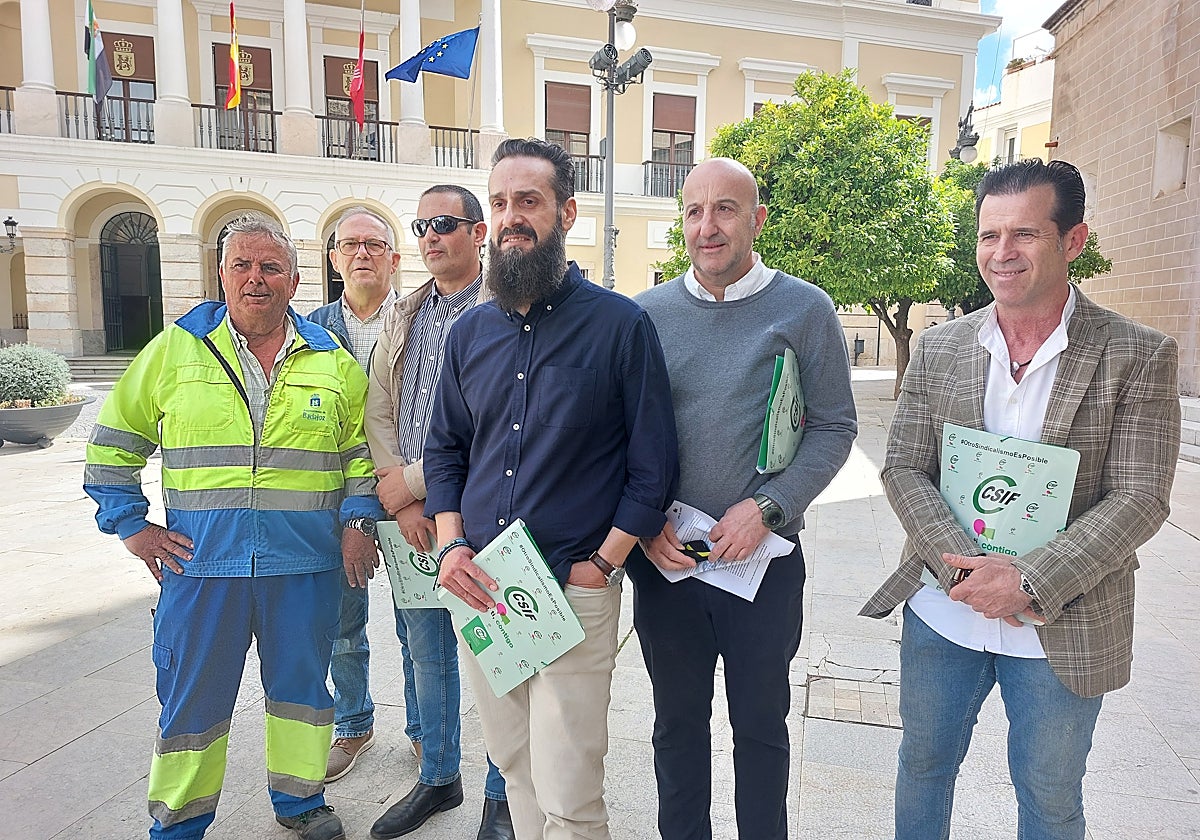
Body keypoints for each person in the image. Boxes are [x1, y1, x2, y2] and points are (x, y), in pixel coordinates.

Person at [861, 159, 1182, 840]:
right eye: (989, 235)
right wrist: (968, 572)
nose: (1001, 254)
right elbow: (904, 468)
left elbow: (1140, 497)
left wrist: (1027, 580)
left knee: (1050, 797)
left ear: (1073, 241)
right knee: (922, 768)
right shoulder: (942, 346)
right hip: (945, 610)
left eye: (1025, 235)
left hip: (1062, 623)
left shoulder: (1138, 354)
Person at [84, 212, 383, 840]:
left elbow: (362, 454)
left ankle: (300, 803)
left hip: (305, 566)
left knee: (303, 696)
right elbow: (112, 445)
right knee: (192, 702)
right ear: (220, 275)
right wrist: (133, 527)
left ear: (296, 280)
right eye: (242, 265)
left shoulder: (333, 362)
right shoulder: (174, 350)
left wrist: (360, 519)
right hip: (202, 566)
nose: (256, 278)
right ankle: (179, 822)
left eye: (271, 266)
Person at [423, 138, 679, 840]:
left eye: (528, 202)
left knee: (569, 785)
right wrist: (450, 550)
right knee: (513, 764)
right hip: (481, 585)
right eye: (500, 203)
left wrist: (600, 566)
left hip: (572, 590)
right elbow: (443, 447)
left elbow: (653, 465)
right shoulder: (469, 333)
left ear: (566, 212)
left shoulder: (620, 325)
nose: (511, 217)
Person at [630, 157, 858, 840]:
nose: (709, 226)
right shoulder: (646, 316)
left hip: (763, 563)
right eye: (695, 212)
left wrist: (768, 508)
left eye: (725, 209)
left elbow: (836, 425)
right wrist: (642, 528)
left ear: (756, 219)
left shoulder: (805, 310)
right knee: (676, 727)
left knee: (760, 726)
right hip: (668, 563)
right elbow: (620, 434)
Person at [360, 184, 513, 840]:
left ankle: (503, 794)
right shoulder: (407, 309)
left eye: (444, 223)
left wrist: (411, 485)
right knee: (426, 654)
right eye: (421, 224)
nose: (430, 235)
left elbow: (498, 425)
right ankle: (439, 776)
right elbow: (377, 404)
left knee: (503, 656)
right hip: (412, 521)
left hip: (482, 516)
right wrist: (398, 492)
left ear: (479, 233)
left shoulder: (509, 309)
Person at [307, 206, 399, 783]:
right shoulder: (311, 329)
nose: (361, 253)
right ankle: (354, 723)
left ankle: (427, 732)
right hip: (338, 500)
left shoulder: (422, 319)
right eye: (350, 245)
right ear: (335, 258)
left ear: (394, 258)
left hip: (410, 493)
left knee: (426, 627)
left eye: (374, 244)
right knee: (343, 621)